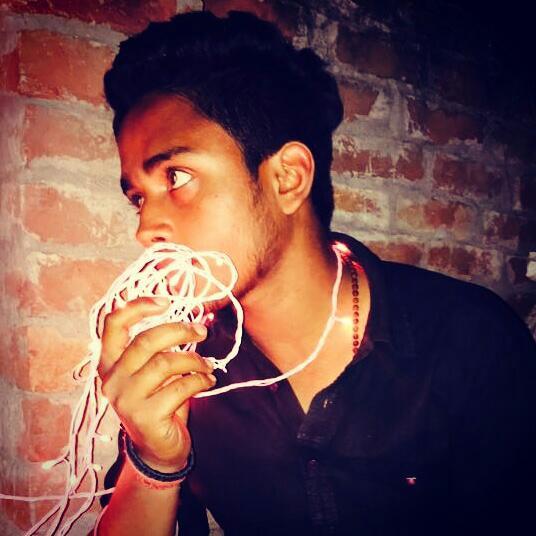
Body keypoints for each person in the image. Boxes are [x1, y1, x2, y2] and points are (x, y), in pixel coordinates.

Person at [96, 10, 536, 536]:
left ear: (287, 178)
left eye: (176, 176)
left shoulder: (469, 340)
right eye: (138, 198)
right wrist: (154, 462)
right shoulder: (188, 367)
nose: (145, 228)